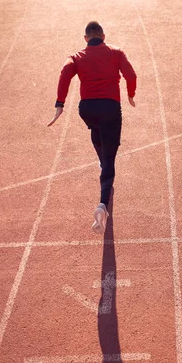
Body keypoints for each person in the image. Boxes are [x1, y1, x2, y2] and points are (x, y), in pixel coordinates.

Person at [48, 21, 137, 234]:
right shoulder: (116, 52)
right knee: (110, 159)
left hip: (87, 109)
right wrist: (131, 94)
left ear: (86, 39)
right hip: (110, 107)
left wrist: (60, 103)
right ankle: (103, 205)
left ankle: (101, 160)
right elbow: (131, 75)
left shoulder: (77, 57)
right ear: (104, 37)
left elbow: (65, 73)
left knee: (96, 131)